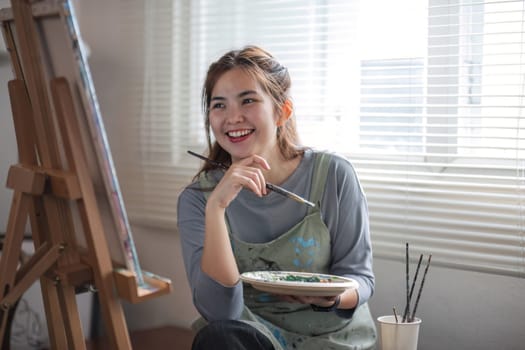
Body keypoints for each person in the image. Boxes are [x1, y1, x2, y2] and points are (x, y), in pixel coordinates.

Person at [177, 45, 377, 350]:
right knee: (219, 338)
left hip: (331, 338)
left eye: (248, 100)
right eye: (219, 105)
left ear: (282, 111)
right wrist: (217, 208)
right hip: (249, 339)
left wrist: (332, 297)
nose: (232, 117)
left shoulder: (335, 175)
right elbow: (219, 313)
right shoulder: (198, 199)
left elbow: (359, 277)